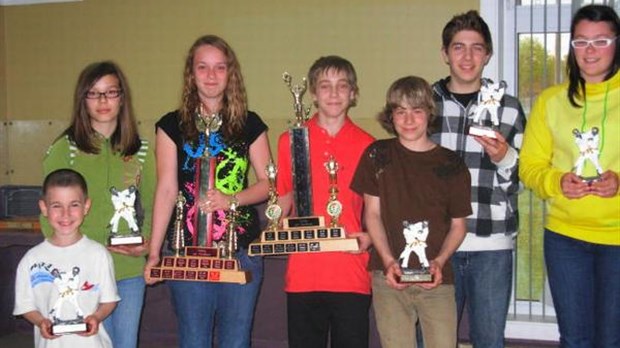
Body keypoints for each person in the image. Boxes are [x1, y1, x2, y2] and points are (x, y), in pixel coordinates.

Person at [144, 34, 272, 348]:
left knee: (236, 341)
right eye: (203, 67)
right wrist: (155, 252)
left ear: (231, 74)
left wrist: (232, 199)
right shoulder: (171, 125)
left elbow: (270, 183)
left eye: (219, 68)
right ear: (191, 74)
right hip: (186, 250)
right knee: (193, 340)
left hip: (239, 248)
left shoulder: (250, 124)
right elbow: (165, 189)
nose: (211, 76)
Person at [520, 5, 620, 346]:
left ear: (616, 44)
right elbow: (530, 166)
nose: (590, 50)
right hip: (565, 240)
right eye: (581, 41)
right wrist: (556, 182)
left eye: (601, 40)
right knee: (575, 339)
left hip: (618, 240)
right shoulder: (551, 101)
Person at [351, 75, 471, 348]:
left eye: (416, 111)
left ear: (429, 114)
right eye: (400, 111)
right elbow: (372, 215)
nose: (408, 119)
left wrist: (439, 262)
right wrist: (389, 260)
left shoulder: (452, 164)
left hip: (437, 281)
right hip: (387, 277)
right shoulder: (377, 154)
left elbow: (458, 226)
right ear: (390, 116)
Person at [42, 61, 155, 348]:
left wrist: (148, 243)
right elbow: (48, 212)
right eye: (94, 93)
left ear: (122, 98)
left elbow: (155, 203)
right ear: (83, 100)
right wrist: (69, 256)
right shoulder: (63, 149)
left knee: (124, 344)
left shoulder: (142, 150)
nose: (103, 101)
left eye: (111, 92)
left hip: (127, 271)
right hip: (81, 274)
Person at [430, 10, 526, 347]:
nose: (467, 56)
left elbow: (521, 183)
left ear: (487, 54)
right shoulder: (422, 108)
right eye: (458, 47)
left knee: (488, 339)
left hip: (491, 245)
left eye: (476, 47)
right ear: (445, 53)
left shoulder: (509, 109)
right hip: (436, 245)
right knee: (432, 341)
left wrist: (504, 158)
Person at [276, 56, 374, 348]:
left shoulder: (368, 145)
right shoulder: (289, 141)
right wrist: (272, 229)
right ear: (314, 94)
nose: (333, 93)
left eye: (342, 86)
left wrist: (370, 237)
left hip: (351, 271)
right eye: (325, 86)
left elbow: (376, 210)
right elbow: (282, 197)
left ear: (353, 93)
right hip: (304, 273)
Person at [14, 168, 119, 348]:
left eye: (74, 205)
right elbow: (25, 306)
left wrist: (96, 317)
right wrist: (41, 322)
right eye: (56, 206)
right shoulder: (31, 259)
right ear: (44, 208)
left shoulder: (99, 254)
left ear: (86, 206)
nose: (66, 214)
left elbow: (109, 300)